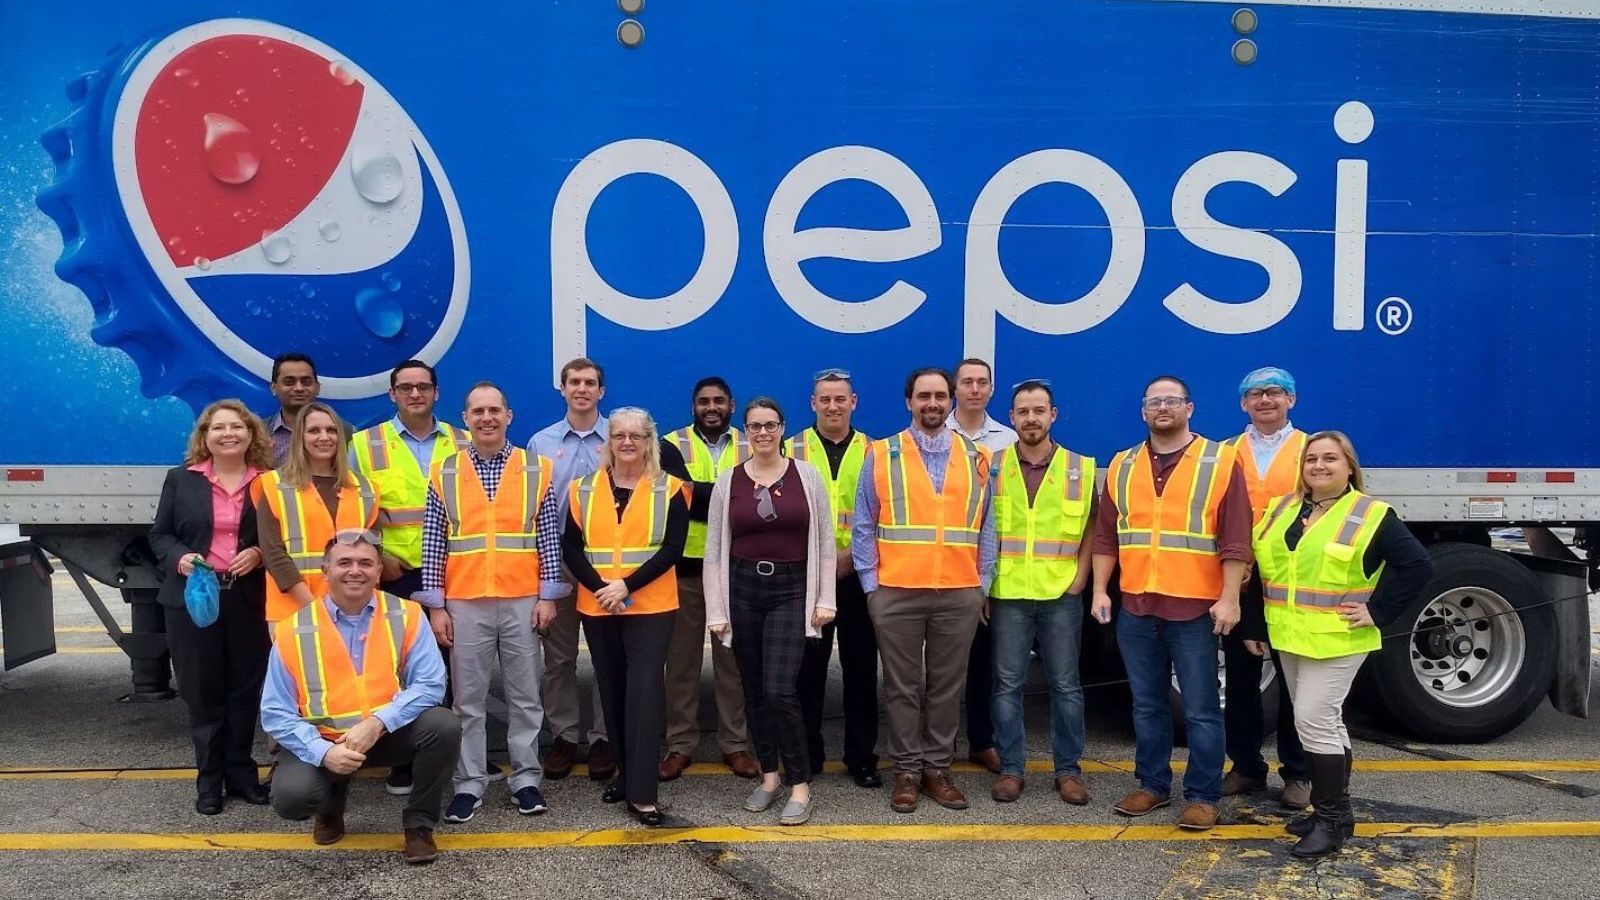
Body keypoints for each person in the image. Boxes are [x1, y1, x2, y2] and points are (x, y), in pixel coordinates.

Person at [1248, 432, 1434, 857]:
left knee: (1313, 722)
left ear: (1349, 466)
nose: (1319, 466)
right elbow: (1267, 573)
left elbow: (1418, 566)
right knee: (1324, 723)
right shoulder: (1284, 509)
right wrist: (1257, 628)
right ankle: (1335, 814)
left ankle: (1330, 822)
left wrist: (1379, 612)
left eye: (1330, 458)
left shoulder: (1370, 514)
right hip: (1290, 636)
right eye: (1311, 459)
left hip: (1338, 638)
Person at [1091, 375, 1251, 832]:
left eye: (1172, 401)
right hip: (1137, 606)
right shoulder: (1122, 464)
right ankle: (1153, 785)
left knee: (1200, 708)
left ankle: (1202, 795)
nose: (1163, 408)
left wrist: (1229, 598)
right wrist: (1102, 590)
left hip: (1196, 609)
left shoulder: (1220, 460)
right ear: (1143, 411)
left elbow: (1236, 538)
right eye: (1154, 402)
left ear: (1189, 408)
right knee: (1147, 705)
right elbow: (1107, 535)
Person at [262, 532, 460, 865]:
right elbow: (275, 712)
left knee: (444, 726)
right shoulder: (293, 628)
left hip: (384, 735)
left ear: (379, 571)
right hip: (325, 739)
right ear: (326, 570)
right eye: (344, 562)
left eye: (365, 563)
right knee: (292, 798)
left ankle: (419, 825)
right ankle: (330, 803)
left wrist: (379, 722)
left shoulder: (407, 614)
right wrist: (324, 752)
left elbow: (431, 683)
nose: (355, 570)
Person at [852, 367, 994, 814]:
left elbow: (987, 525)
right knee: (902, 688)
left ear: (951, 400)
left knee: (947, 687)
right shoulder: (882, 453)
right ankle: (907, 772)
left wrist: (982, 584)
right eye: (922, 396)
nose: (931, 403)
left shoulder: (978, 456)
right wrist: (872, 588)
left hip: (958, 591)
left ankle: (937, 769)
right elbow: (863, 524)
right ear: (908, 402)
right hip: (896, 591)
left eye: (939, 396)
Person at [418, 382, 560, 823]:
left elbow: (548, 536)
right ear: (466, 419)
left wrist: (549, 596)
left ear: (509, 416)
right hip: (465, 601)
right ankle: (469, 783)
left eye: (494, 410)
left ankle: (526, 779)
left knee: (525, 695)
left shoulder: (538, 468)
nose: (487, 418)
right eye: (478, 411)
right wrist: (436, 605)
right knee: (467, 699)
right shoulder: (444, 471)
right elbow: (433, 542)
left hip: (522, 598)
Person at [705, 398, 837, 826]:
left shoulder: (807, 476)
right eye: (755, 426)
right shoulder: (729, 482)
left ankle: (799, 784)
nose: (763, 433)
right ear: (745, 432)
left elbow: (825, 544)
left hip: (791, 588)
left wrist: (824, 600)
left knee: (781, 691)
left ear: (783, 429)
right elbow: (713, 552)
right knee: (755, 692)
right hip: (742, 588)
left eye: (770, 425)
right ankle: (769, 778)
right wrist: (716, 609)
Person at [561, 408, 690, 827]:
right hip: (598, 605)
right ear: (608, 442)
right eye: (620, 435)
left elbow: (672, 550)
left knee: (644, 692)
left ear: (650, 441)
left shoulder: (671, 488)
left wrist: (626, 587)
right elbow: (571, 548)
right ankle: (624, 773)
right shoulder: (583, 488)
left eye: (636, 435)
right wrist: (603, 587)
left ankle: (643, 795)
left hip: (650, 606)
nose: (628, 442)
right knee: (612, 691)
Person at [148, 399, 274, 816]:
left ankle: (241, 775)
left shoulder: (268, 482)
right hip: (192, 597)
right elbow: (160, 536)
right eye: (217, 428)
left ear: (251, 434)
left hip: (247, 597)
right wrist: (180, 558)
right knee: (202, 692)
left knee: (243, 689)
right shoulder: (181, 480)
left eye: (237, 426)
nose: (228, 434)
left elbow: (284, 538)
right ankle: (209, 781)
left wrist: (257, 552)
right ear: (205, 436)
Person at [348, 359, 468, 796]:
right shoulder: (365, 444)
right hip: (395, 573)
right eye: (406, 387)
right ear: (392, 394)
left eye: (423, 387)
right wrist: (378, 560)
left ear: (436, 392)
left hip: (452, 570)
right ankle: (402, 758)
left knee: (454, 665)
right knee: (397, 666)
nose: (415, 394)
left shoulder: (463, 440)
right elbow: (355, 511)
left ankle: (453, 755)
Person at [986, 379, 1095, 805]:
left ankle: (1067, 770)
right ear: (1011, 419)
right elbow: (979, 530)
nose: (1031, 419)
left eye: (1039, 410)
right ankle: (1012, 769)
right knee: (1007, 685)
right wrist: (983, 589)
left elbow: (1092, 528)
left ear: (1053, 415)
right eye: (1023, 412)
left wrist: (1082, 577)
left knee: (1066, 685)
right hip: (1008, 592)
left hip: (1061, 593)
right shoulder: (991, 466)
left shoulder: (1080, 467)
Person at [1220, 366, 1311, 810]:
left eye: (1275, 392)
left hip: (1292, 581)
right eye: (1254, 394)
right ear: (1243, 403)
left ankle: (1298, 772)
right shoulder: (1225, 451)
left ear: (1290, 400)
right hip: (1239, 578)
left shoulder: (1309, 450)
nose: (1265, 400)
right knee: (1240, 680)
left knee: (1294, 679)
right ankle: (1245, 767)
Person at [789, 368, 882, 789]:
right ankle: (808, 754)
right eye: (824, 399)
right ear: (813, 404)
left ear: (854, 402)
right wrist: (824, 559)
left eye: (840, 399)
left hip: (859, 574)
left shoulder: (876, 451)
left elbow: (886, 514)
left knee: (862, 670)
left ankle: (861, 757)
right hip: (809, 576)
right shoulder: (792, 449)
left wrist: (851, 557)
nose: (832, 406)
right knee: (808, 671)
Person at [660, 377, 756, 780]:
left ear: (732, 405)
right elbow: (680, 496)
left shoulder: (752, 441)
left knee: (732, 663)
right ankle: (680, 744)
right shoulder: (669, 444)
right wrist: (735, 494)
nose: (711, 407)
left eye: (718, 401)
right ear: (693, 405)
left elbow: (765, 493)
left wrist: (709, 495)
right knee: (681, 663)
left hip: (735, 567)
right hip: (684, 569)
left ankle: (735, 745)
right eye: (703, 401)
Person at [527, 357, 614, 782]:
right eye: (574, 382)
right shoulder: (540, 444)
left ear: (601, 391)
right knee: (558, 658)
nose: (582, 388)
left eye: (590, 383)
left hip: (606, 564)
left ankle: (602, 737)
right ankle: (563, 735)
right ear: (562, 389)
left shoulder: (619, 438)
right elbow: (530, 509)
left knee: (605, 655)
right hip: (557, 562)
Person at [947, 358, 1016, 774]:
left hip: (984, 563)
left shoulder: (1006, 440)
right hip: (942, 561)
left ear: (991, 389)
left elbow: (995, 511)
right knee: (939, 664)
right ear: (956, 388)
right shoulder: (936, 433)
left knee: (982, 661)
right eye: (966, 382)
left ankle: (981, 739)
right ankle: (937, 744)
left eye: (981, 382)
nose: (974, 388)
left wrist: (985, 579)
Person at [255, 402, 380, 625]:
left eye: (331, 430)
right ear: (299, 438)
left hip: (354, 611)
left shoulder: (366, 488)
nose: (324, 437)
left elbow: (373, 553)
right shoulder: (273, 484)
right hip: (292, 609)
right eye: (314, 431)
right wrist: (316, 609)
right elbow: (273, 554)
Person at [265, 352, 321, 466]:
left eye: (306, 382)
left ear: (318, 387)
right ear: (273, 388)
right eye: (289, 382)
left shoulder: (344, 433)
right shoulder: (258, 434)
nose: (299, 388)